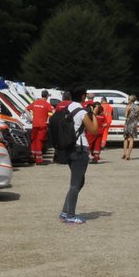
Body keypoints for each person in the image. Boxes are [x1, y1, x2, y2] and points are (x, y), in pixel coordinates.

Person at [58, 88, 91, 224]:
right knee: (76, 183)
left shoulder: (66, 109)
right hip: (80, 149)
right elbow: (94, 129)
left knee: (79, 182)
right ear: (83, 96)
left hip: (69, 148)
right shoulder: (82, 112)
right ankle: (70, 215)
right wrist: (92, 115)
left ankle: (65, 211)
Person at [27, 89, 52, 165]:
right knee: (39, 142)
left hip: (35, 125)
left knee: (33, 141)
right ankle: (38, 160)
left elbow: (26, 109)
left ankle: (32, 157)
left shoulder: (35, 102)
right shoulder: (47, 104)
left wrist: (30, 118)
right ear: (47, 96)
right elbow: (52, 112)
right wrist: (48, 120)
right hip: (42, 126)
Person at [121, 96, 139, 160]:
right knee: (131, 139)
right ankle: (128, 155)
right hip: (134, 124)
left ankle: (125, 154)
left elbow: (125, 116)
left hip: (127, 124)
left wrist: (127, 111)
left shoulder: (127, 106)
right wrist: (136, 118)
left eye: (129, 99)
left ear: (131, 100)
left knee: (125, 138)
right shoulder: (138, 107)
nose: (128, 100)